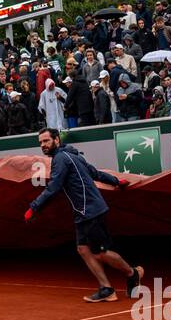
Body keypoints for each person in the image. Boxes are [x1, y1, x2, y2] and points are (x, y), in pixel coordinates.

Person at [25, 126, 142, 303]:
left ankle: (132, 273)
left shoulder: (61, 159)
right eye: (40, 142)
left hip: (91, 211)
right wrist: (116, 181)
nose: (43, 145)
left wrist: (33, 208)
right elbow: (95, 173)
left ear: (57, 140)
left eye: (46, 141)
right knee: (83, 249)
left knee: (100, 253)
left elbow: (54, 187)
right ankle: (106, 288)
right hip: (84, 212)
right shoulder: (72, 156)